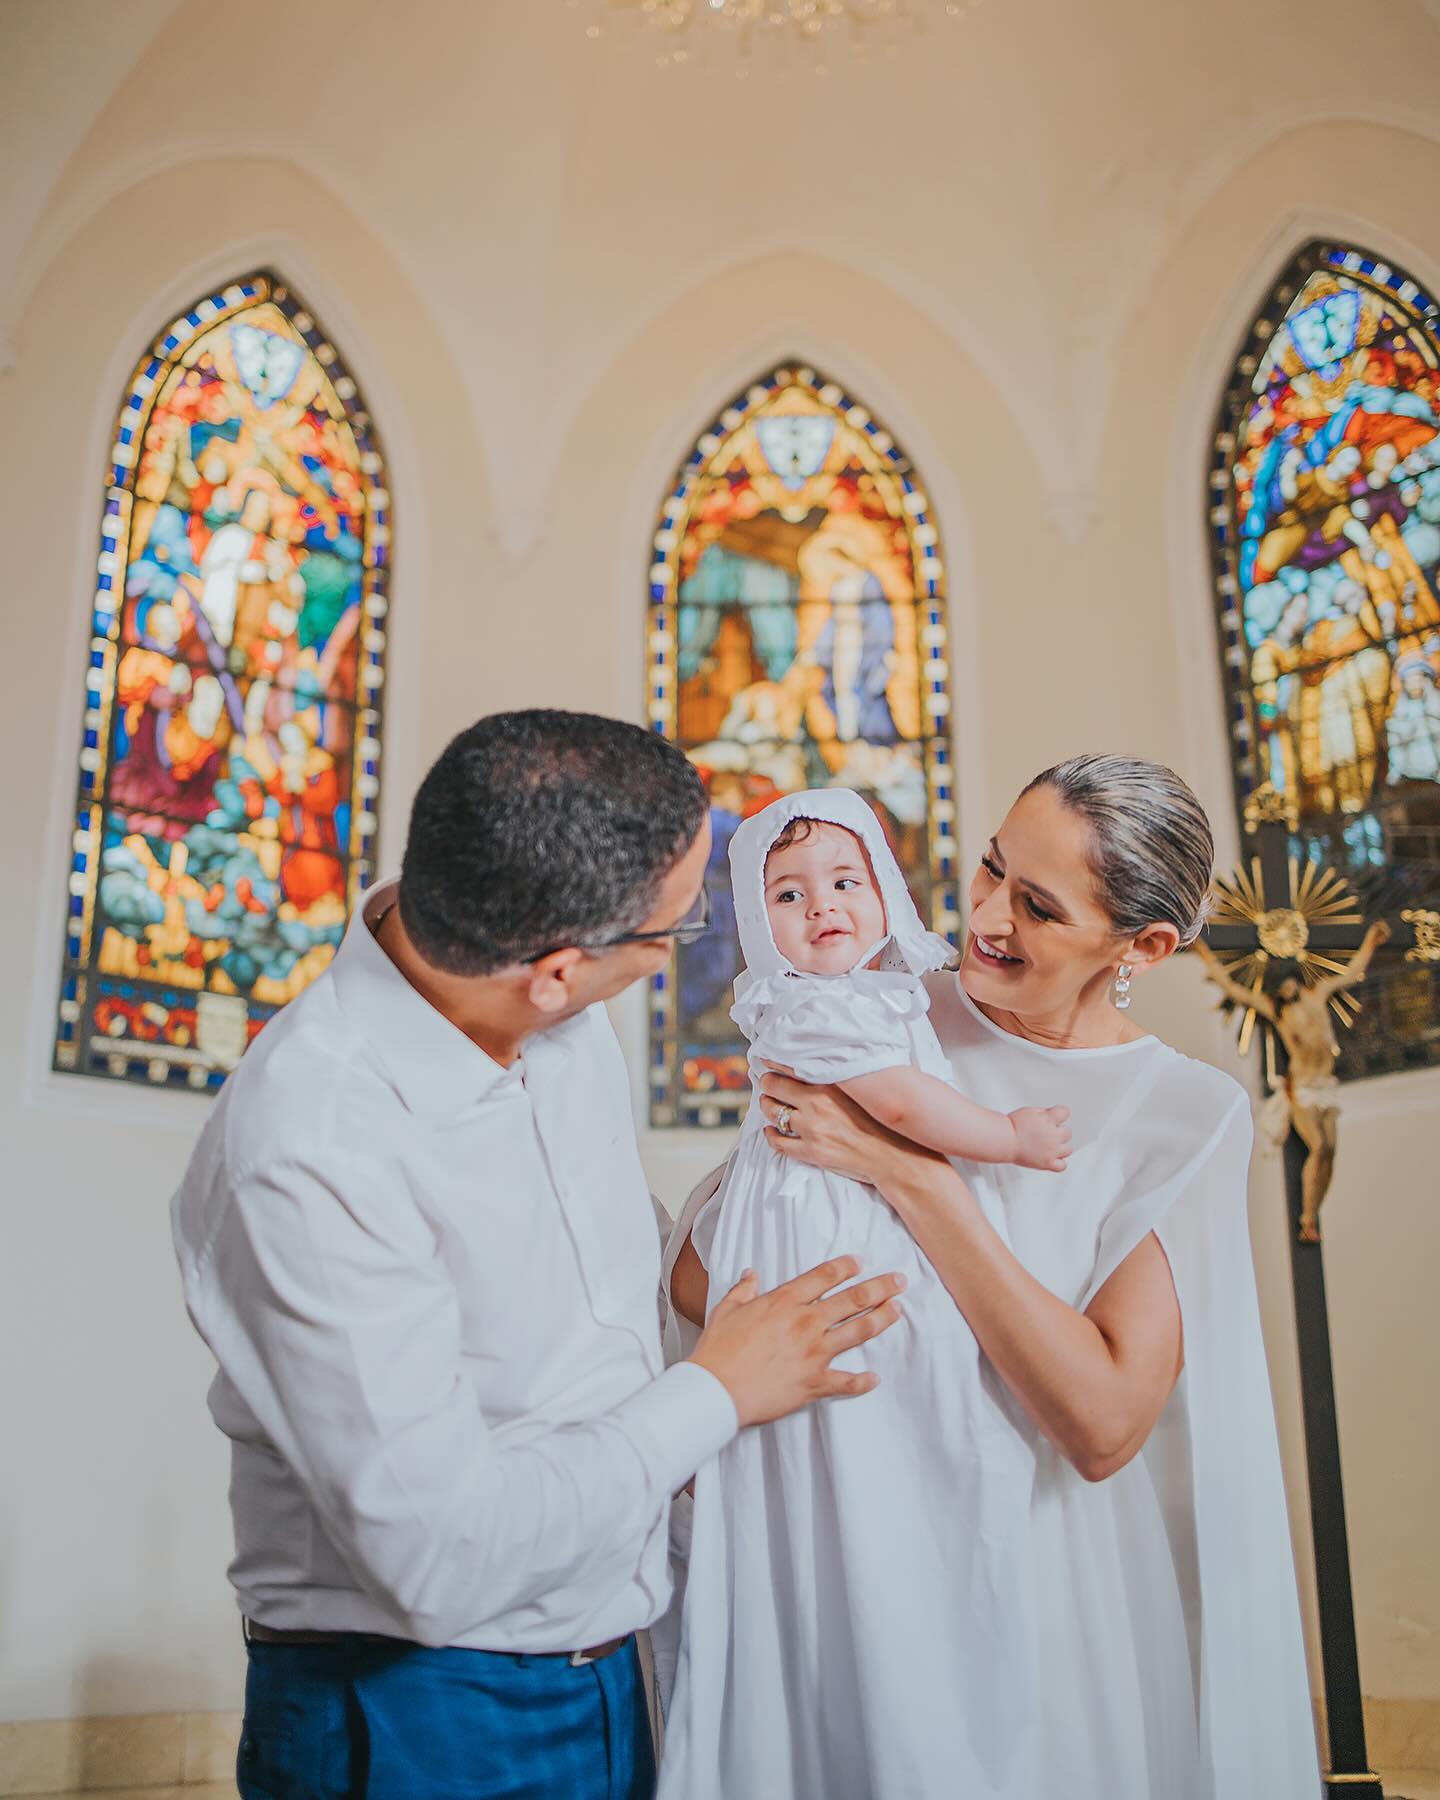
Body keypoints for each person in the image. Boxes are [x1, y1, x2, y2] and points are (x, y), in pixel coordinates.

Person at [170, 710, 905, 1800]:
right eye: (671, 933)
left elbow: (593, 1248)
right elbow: (437, 1554)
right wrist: (714, 1394)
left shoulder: (527, 984)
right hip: (420, 1705)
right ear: (556, 971)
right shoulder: (312, 1145)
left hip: (609, 1651)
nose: (674, 952)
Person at [664, 754, 1321, 1800]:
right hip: (848, 1554)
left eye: (1039, 907)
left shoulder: (1180, 1113)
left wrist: (906, 1175)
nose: (987, 919)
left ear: (1141, 946)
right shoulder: (879, 1004)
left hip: (1038, 1589)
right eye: (989, 870)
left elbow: (1104, 1424)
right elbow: (710, 1280)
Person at [658, 788, 1071, 1800]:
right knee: (881, 1428)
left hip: (838, 1219)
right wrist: (1008, 1137)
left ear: (886, 892)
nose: (824, 905)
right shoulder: (818, 1004)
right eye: (790, 894)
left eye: (847, 881)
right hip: (832, 1237)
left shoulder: (874, 995)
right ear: (761, 927)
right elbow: (900, 1105)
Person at [1195, 920, 1390, 1241]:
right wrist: (1203, 951)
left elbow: (1353, 972)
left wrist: (1371, 940)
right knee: (1319, 1146)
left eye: (1285, 983)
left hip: (1326, 1085)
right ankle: (1308, 1218)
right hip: (1303, 1088)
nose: (1283, 989)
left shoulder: (1318, 994)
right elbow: (1233, 989)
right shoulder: (1277, 1010)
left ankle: (1314, 1210)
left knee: (1329, 1153)